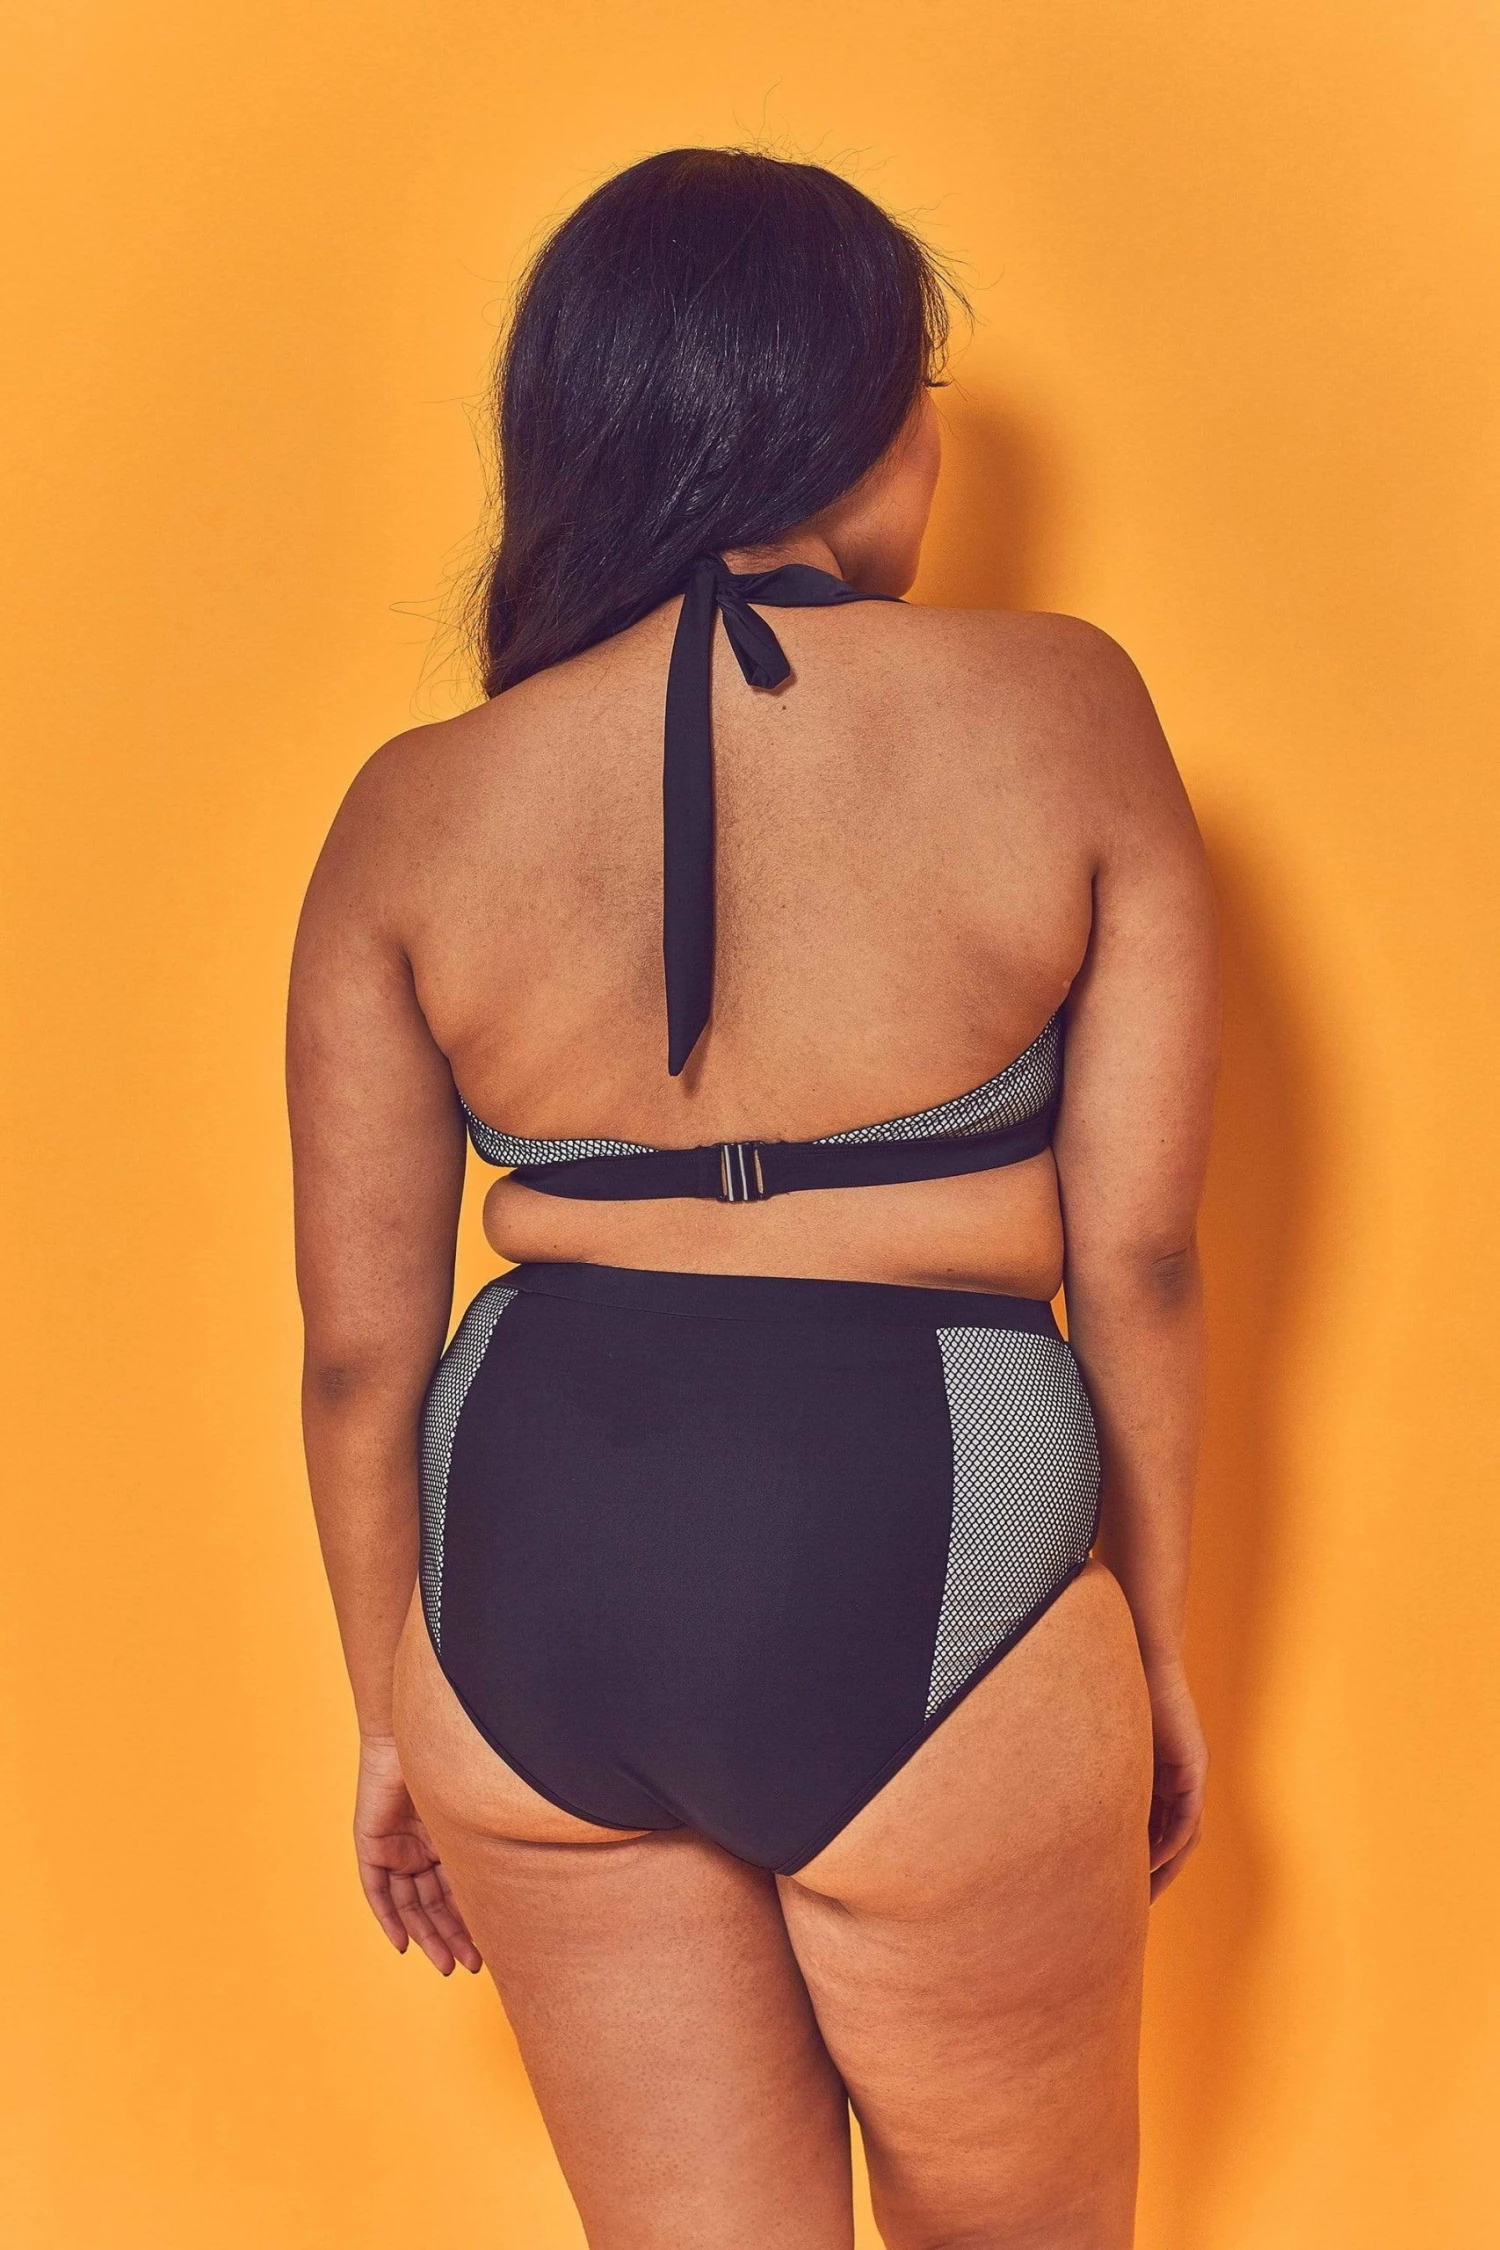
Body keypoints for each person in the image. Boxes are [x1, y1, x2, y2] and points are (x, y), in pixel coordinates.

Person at [288, 146, 1217, 2250]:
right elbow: (1142, 1255)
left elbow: (358, 1353)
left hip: (526, 1575)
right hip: (925, 1524)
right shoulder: (1061, 703)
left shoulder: (413, 809)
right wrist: (1152, 1645)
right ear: (847, 420)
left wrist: (390, 1710)